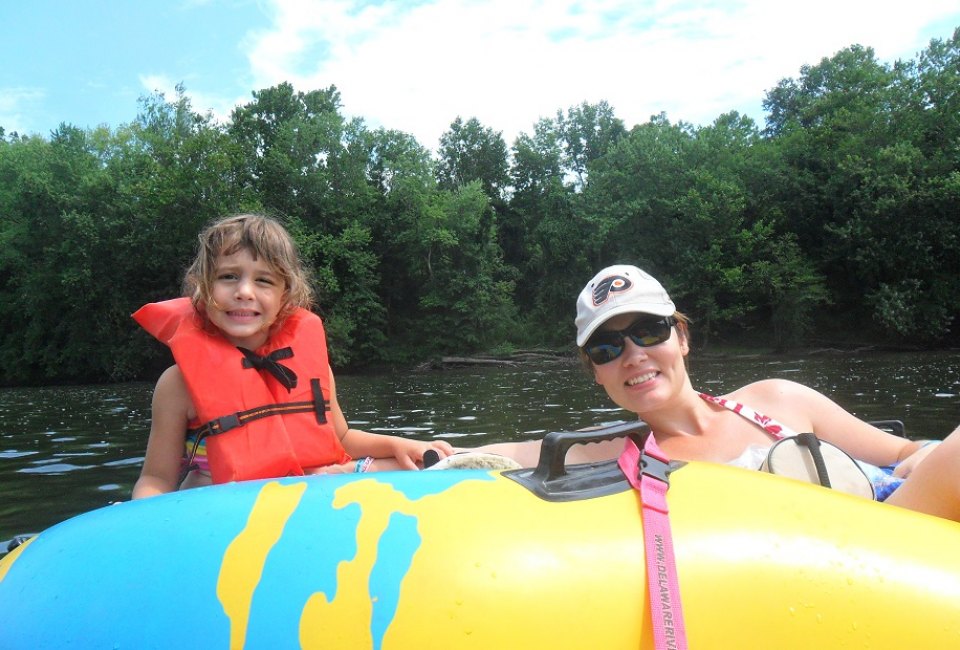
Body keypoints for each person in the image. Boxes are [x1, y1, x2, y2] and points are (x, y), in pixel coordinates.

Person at [489, 264, 960, 523]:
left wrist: (922, 456)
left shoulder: (778, 400)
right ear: (595, 372)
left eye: (649, 331)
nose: (632, 355)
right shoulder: (606, 449)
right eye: (607, 347)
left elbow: (904, 451)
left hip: (898, 534)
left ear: (682, 338)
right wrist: (416, 448)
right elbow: (484, 456)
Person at [131, 214, 453, 499]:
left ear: (285, 294)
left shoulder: (314, 368)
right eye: (228, 276)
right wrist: (143, 521)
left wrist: (399, 445)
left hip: (311, 492)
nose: (244, 291)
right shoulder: (178, 384)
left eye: (263, 280)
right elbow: (156, 478)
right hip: (220, 508)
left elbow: (342, 438)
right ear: (203, 287)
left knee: (418, 465)